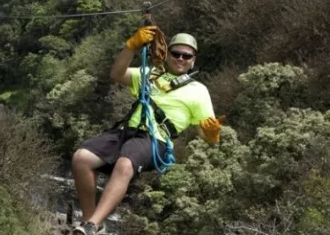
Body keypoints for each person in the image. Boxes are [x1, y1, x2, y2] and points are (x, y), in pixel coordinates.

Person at [70, 26, 224, 235]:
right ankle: (89, 223)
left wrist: (212, 133)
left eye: (186, 56)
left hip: (155, 140)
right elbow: (117, 73)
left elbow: (209, 138)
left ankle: (93, 225)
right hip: (127, 131)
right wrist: (131, 47)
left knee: (125, 164)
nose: (180, 59)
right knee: (82, 158)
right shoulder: (150, 74)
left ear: (193, 60)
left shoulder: (198, 91)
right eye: (176, 54)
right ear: (167, 55)